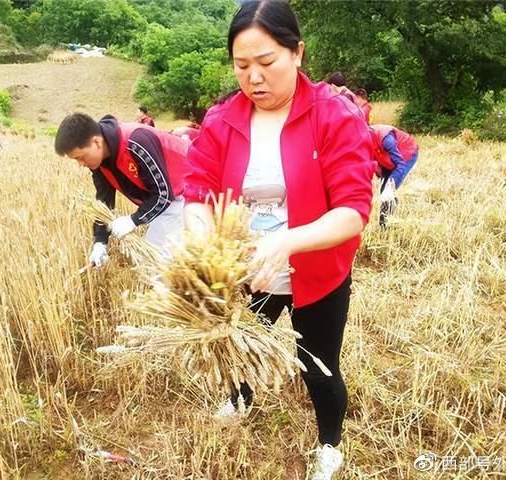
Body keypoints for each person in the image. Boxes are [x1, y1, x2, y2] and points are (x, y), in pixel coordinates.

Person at [183, 2, 373, 479]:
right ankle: (240, 400)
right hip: (248, 273)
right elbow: (197, 191)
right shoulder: (222, 120)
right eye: (242, 65)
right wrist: (208, 248)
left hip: (316, 274)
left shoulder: (334, 114)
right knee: (238, 346)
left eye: (267, 63)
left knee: (319, 367)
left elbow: (353, 210)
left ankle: (329, 443)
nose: (254, 78)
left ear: (298, 53)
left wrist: (286, 243)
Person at [54, 112, 190, 265]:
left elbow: (163, 195)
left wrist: (133, 220)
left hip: (190, 192)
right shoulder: (99, 163)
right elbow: (103, 202)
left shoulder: (136, 142)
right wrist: (100, 242)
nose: (81, 164)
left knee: (155, 261)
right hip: (170, 200)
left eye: (81, 157)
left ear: (97, 142)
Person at [370, 124, 419, 226]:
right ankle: (383, 223)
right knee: (383, 190)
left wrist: (390, 186)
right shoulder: (363, 141)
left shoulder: (386, 140)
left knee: (386, 192)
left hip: (406, 155)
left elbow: (400, 165)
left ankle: (384, 223)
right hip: (387, 157)